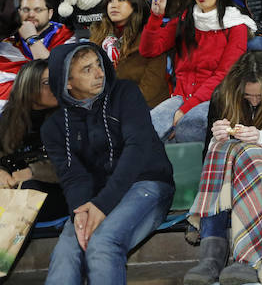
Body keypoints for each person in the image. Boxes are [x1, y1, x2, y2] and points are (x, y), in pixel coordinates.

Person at [41, 43, 174, 285]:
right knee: (65, 254)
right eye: (87, 69)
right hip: (95, 199)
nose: (100, 73)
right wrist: (81, 211)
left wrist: (101, 205)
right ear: (67, 83)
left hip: (145, 184)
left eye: (99, 65)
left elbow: (137, 149)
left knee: (103, 243)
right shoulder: (54, 127)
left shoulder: (125, 93)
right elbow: (74, 177)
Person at [183, 51, 262, 285]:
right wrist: (215, 139)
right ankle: (211, 258)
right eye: (248, 96)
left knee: (250, 157)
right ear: (238, 89)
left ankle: (250, 257)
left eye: (260, 96)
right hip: (230, 179)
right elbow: (206, 159)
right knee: (219, 154)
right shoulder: (222, 94)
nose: (254, 101)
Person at [140, 0, 254, 142]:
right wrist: (156, 17)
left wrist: (186, 109)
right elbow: (149, 50)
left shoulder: (236, 25)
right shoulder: (185, 20)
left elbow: (224, 74)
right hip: (181, 96)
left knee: (189, 129)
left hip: (215, 97)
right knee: (146, 128)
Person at [0, 59, 67, 222]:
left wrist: (32, 172)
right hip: (15, 187)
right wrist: (1, 172)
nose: (56, 87)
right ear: (29, 88)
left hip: (58, 189)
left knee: (28, 190)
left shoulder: (70, 117)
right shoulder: (8, 118)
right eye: (47, 83)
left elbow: (79, 163)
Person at [89, 0, 168, 108]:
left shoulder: (150, 36)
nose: (114, 5)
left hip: (144, 105)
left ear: (134, 5)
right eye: (110, 0)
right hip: (104, 104)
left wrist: (120, 107)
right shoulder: (98, 34)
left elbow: (152, 84)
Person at [0, 0, 76, 103]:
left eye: (38, 10)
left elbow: (56, 76)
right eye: (25, 10)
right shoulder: (8, 42)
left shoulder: (67, 37)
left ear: (50, 13)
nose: (31, 14)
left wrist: (31, 38)